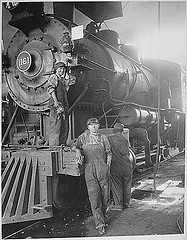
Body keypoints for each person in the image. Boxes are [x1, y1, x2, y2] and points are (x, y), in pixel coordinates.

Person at [73, 117, 112, 235]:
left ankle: (104, 217)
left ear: (98, 126)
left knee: (105, 198)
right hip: (90, 170)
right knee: (94, 198)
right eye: (91, 125)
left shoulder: (103, 138)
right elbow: (74, 146)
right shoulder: (83, 137)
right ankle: (99, 224)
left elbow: (109, 152)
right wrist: (77, 151)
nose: (94, 127)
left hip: (103, 169)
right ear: (88, 127)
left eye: (96, 125)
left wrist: (107, 166)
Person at [47, 62, 75, 146]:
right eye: (60, 69)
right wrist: (55, 101)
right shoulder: (54, 77)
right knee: (56, 125)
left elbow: (72, 80)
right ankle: (54, 146)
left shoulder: (62, 80)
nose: (61, 70)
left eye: (63, 69)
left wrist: (67, 72)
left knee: (64, 125)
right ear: (56, 70)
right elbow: (51, 89)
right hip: (56, 105)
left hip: (64, 105)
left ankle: (62, 144)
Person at [107, 123, 132, 211]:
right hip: (127, 165)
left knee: (117, 184)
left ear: (114, 130)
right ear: (122, 131)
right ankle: (127, 203)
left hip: (116, 165)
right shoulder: (125, 140)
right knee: (127, 184)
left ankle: (118, 205)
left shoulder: (109, 139)